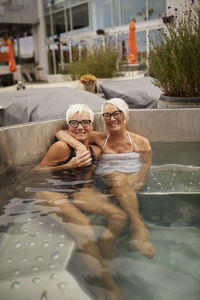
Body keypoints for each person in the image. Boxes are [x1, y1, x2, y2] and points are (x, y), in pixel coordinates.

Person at [33, 104, 125, 300]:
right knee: (84, 226)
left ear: (92, 125)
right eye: (74, 123)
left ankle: (104, 261)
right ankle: (108, 286)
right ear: (69, 125)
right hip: (51, 192)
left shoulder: (96, 151)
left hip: (79, 191)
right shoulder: (61, 147)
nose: (80, 127)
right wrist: (67, 165)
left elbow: (90, 176)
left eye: (85, 122)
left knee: (118, 215)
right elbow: (35, 172)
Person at [56, 98, 156, 259]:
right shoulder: (100, 138)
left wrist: (141, 178)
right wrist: (79, 146)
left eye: (116, 113)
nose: (112, 119)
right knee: (118, 179)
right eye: (107, 115)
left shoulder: (141, 142)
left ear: (125, 116)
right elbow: (61, 133)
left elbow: (146, 162)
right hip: (109, 175)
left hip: (131, 175)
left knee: (122, 182)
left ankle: (133, 227)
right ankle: (139, 227)